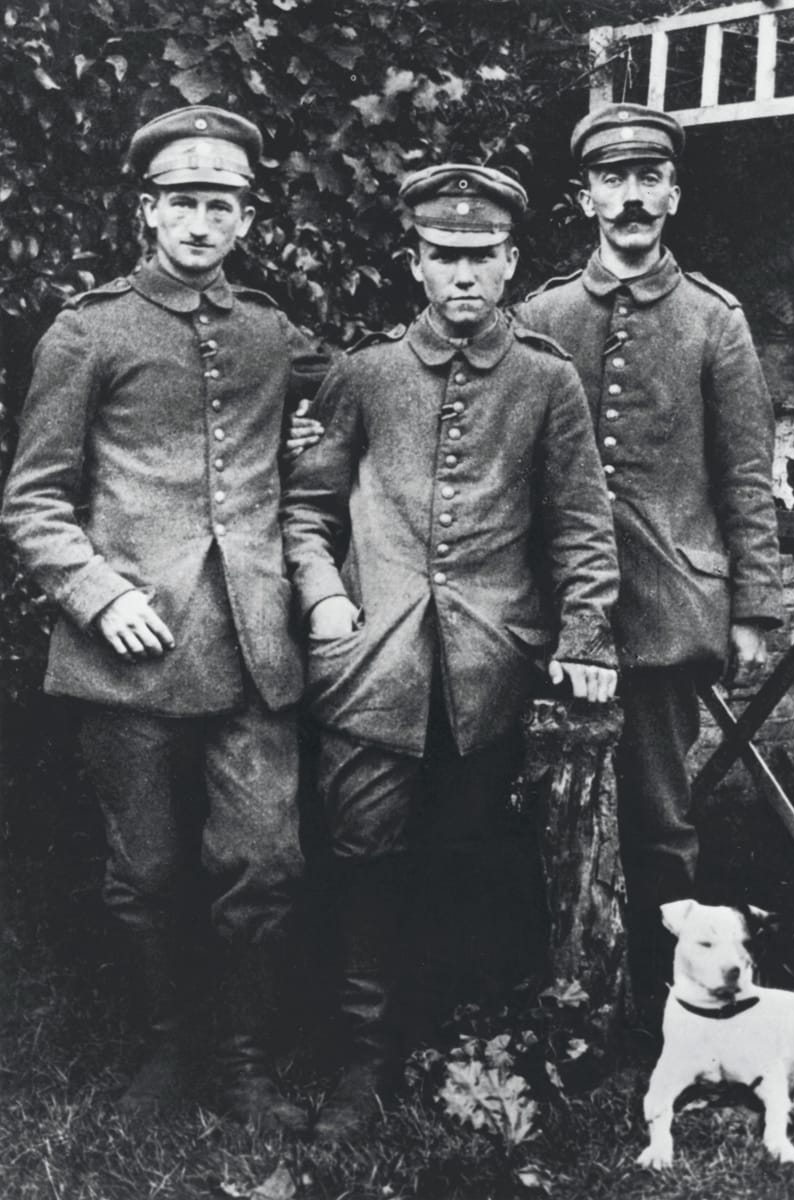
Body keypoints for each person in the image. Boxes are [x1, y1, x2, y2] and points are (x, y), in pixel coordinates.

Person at [280, 162, 620, 1141]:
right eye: (445, 257)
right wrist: (326, 595)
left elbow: (581, 530)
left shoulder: (547, 380)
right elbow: (306, 514)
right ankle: (360, 1066)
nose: (464, 275)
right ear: (415, 263)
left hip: (489, 670)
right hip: (370, 669)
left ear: (511, 261)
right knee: (362, 855)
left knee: (466, 857)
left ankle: (446, 1046)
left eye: (482, 257)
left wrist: (587, 633)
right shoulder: (364, 373)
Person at [2, 105, 326, 1126]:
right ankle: (164, 1054)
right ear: (148, 211)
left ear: (244, 219)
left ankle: (243, 1066)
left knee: (263, 859)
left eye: (220, 203)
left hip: (252, 643)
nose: (201, 220)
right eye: (182, 201)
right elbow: (33, 498)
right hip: (130, 649)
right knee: (143, 870)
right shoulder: (89, 331)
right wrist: (96, 594)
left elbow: (338, 417)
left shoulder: (270, 331)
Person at [513, 103, 783, 1018]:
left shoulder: (714, 320)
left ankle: (658, 1006)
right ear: (584, 195)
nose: (630, 199)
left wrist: (752, 608)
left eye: (647, 180)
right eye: (612, 181)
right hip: (547, 608)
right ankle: (554, 983)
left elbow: (745, 475)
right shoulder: (539, 313)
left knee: (657, 815)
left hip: (667, 607)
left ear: (672, 191)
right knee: (540, 796)